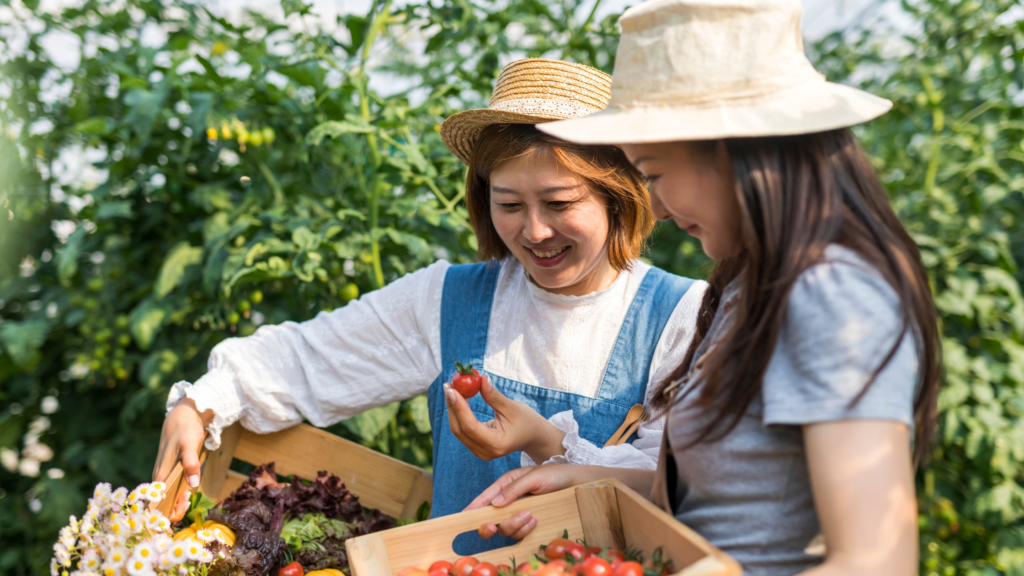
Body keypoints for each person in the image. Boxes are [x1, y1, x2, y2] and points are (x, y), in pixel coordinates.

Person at [465, 2, 941, 575]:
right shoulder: (748, 285)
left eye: (657, 174)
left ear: (736, 154)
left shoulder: (831, 295)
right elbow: (722, 510)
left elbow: (876, 562)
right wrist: (584, 476)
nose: (657, 210)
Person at [152, 59, 707, 544]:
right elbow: (305, 360)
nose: (535, 231)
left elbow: (686, 488)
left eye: (559, 202)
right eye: (508, 203)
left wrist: (547, 442)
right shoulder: (447, 299)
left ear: (619, 197)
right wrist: (200, 404)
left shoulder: (683, 318)